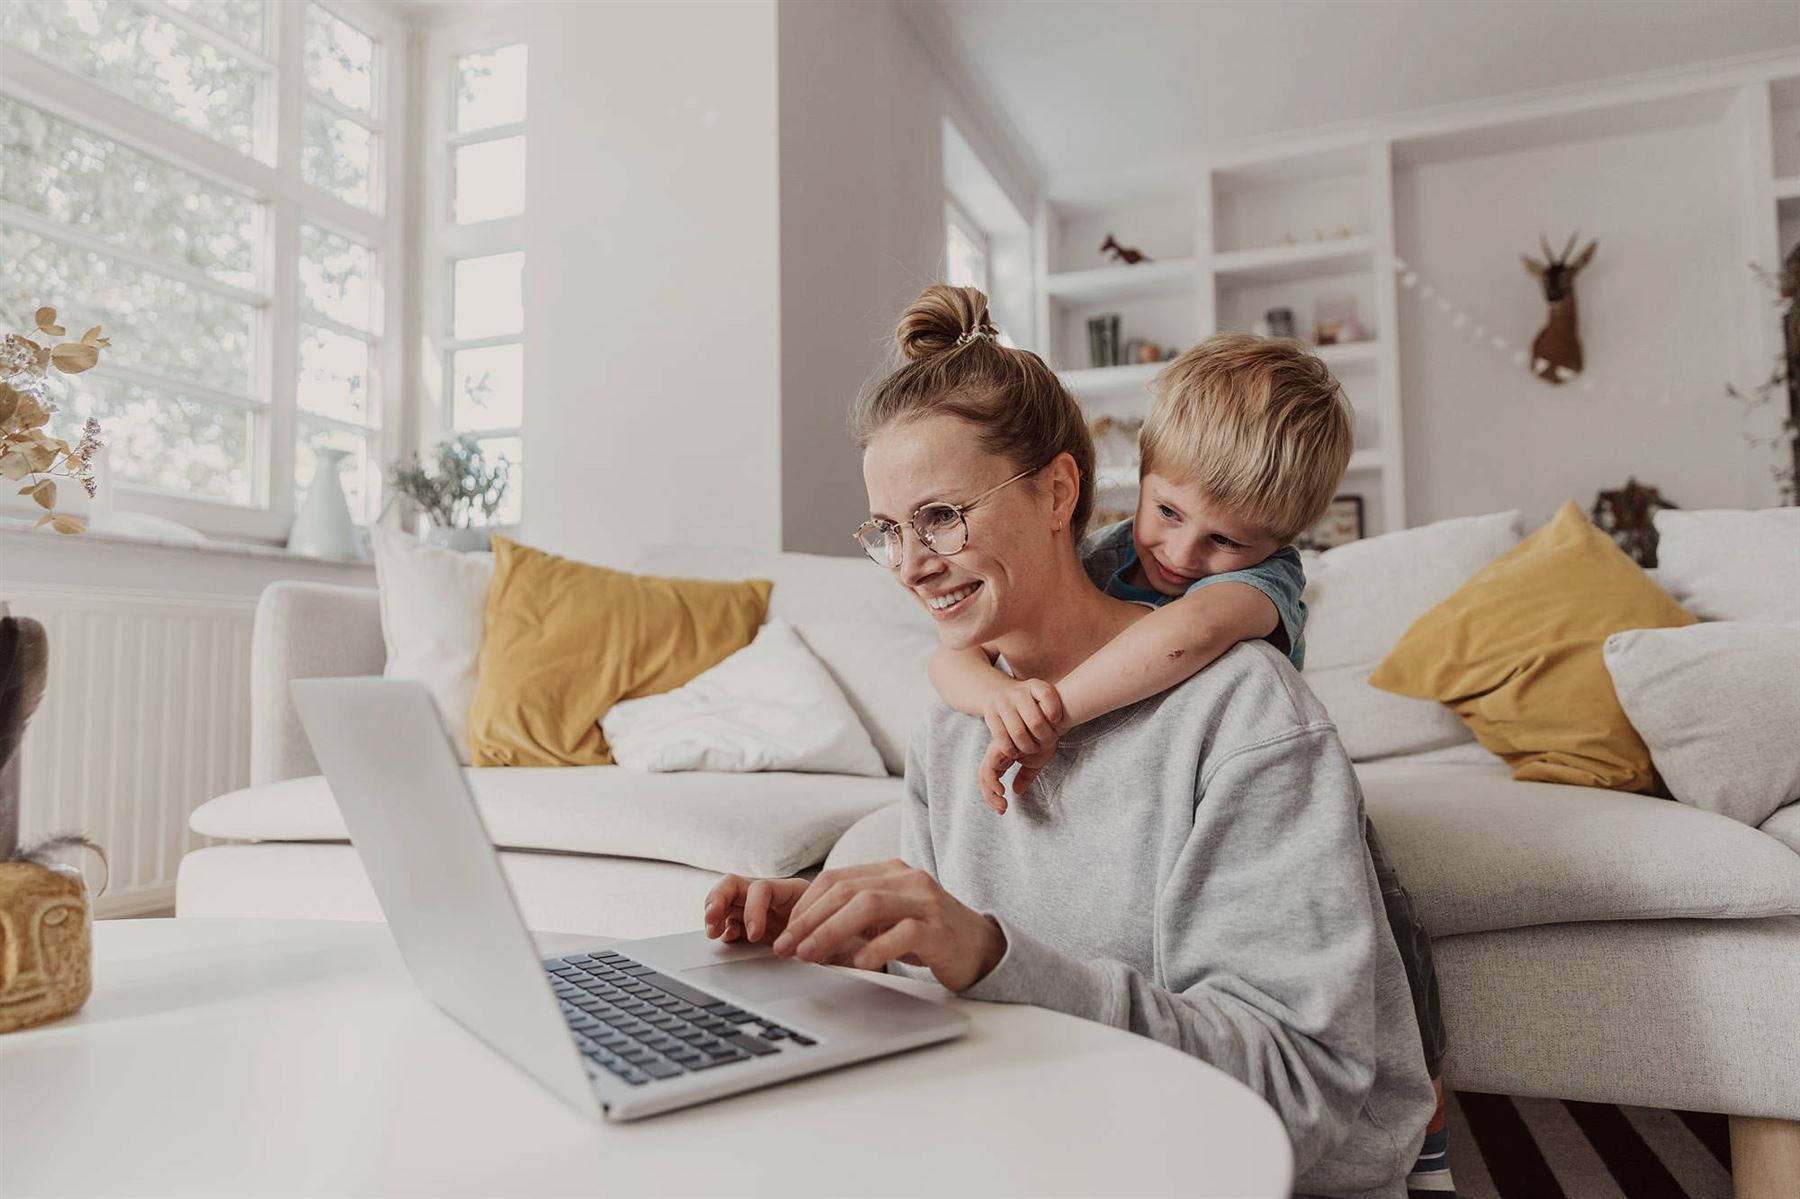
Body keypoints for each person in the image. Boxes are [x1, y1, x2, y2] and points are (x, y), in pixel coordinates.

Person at [703, 285, 1435, 1197]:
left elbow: (1303, 1089)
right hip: (1021, 1140)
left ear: (1058, 491)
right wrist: (844, 936)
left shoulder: (1244, 708)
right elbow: (956, 982)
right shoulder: (954, 722)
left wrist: (990, 953)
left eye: (941, 516)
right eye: (887, 530)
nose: (912, 564)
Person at [926, 331, 1453, 1190]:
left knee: (1390, 968)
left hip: (1294, 808)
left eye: (1225, 540)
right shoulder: (1104, 553)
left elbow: (1185, 637)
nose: (1182, 555)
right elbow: (947, 660)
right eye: (1168, 513)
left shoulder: (1263, 586)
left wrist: (1051, 712)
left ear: (1279, 540)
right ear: (1141, 469)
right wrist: (994, 700)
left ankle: (1424, 1119)